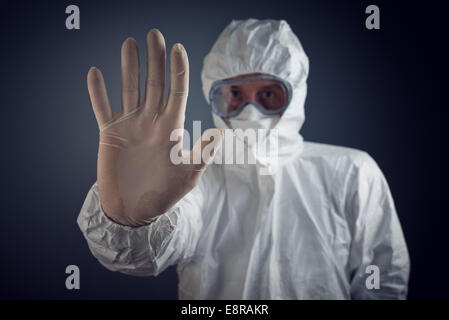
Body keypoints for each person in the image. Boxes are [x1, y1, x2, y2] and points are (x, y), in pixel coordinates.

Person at [78, 19, 410, 299]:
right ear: (213, 97)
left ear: (295, 95)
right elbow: (148, 256)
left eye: (268, 94)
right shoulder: (191, 176)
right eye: (234, 95)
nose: (250, 110)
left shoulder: (351, 171)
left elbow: (383, 280)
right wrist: (129, 222)